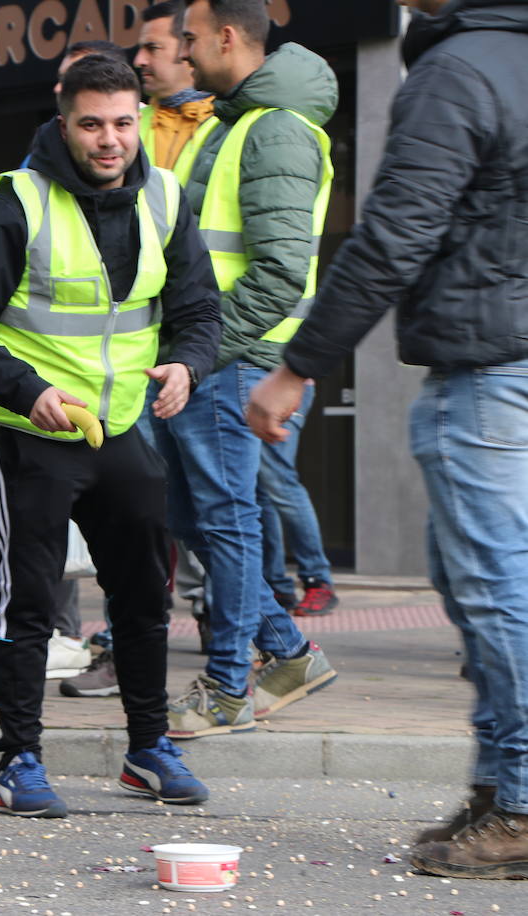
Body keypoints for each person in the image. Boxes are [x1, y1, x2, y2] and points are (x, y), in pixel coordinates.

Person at [247, 0, 528, 880]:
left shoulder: (458, 70)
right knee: (492, 589)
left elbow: (397, 231)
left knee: (496, 593)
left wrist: (299, 365)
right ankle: (498, 788)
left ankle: (520, 802)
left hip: (487, 369)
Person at [0, 55, 222, 814]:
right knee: (27, 602)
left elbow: (197, 310)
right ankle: (20, 761)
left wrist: (187, 367)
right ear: (64, 121)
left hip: (124, 426)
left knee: (143, 597)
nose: (110, 140)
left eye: (124, 123)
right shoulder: (15, 200)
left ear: (140, 119)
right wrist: (27, 392)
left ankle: (148, 750)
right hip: (30, 433)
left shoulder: (165, 196)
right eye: (92, 124)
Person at [151, 0, 338, 739]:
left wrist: (196, 357)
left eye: (190, 40)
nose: (183, 53)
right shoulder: (228, 126)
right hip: (209, 359)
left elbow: (279, 274)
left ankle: (229, 687)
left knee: (224, 520)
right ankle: (289, 653)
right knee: (188, 516)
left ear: (228, 37)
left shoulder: (274, 132)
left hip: (230, 360)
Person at [258, 381, 338, 616]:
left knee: (279, 481)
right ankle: (275, 586)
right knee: (261, 488)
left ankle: (317, 580)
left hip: (285, 385)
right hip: (259, 385)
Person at [134, 2, 215, 171]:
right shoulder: (130, 123)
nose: (139, 60)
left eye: (152, 48)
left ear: (187, 46)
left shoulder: (228, 121)